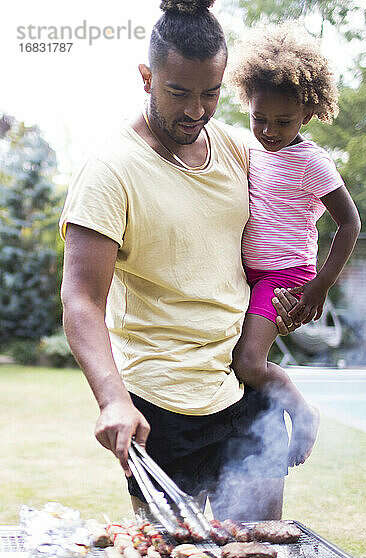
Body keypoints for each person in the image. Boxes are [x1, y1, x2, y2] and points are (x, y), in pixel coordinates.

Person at [59, 0, 299, 521]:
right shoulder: (111, 170)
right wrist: (111, 399)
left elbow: (282, 231)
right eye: (178, 93)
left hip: (241, 389)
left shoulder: (237, 149)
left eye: (210, 94)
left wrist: (302, 291)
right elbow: (80, 300)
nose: (195, 111)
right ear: (146, 77)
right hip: (161, 408)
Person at [227, 20, 361, 465]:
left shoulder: (312, 162)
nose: (268, 130)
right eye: (259, 117)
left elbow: (350, 224)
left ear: (306, 114)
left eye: (282, 122)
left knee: (248, 362)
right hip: (250, 275)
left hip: (286, 276)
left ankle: (303, 413)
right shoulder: (250, 148)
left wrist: (320, 286)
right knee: (233, 359)